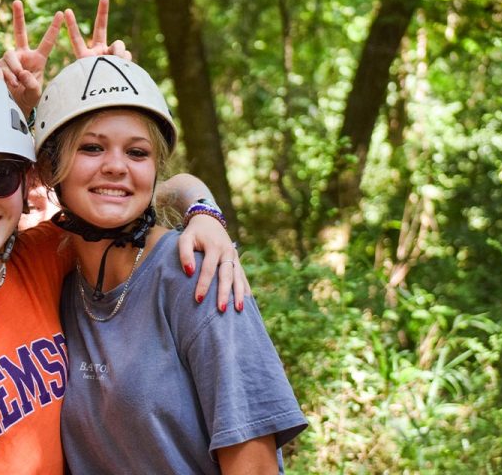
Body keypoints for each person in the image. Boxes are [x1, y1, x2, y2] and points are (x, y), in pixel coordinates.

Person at [33, 54, 309, 473]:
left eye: (137, 152)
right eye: (91, 147)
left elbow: (253, 464)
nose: (115, 166)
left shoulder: (196, 274)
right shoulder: (60, 284)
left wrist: (202, 208)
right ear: (51, 167)